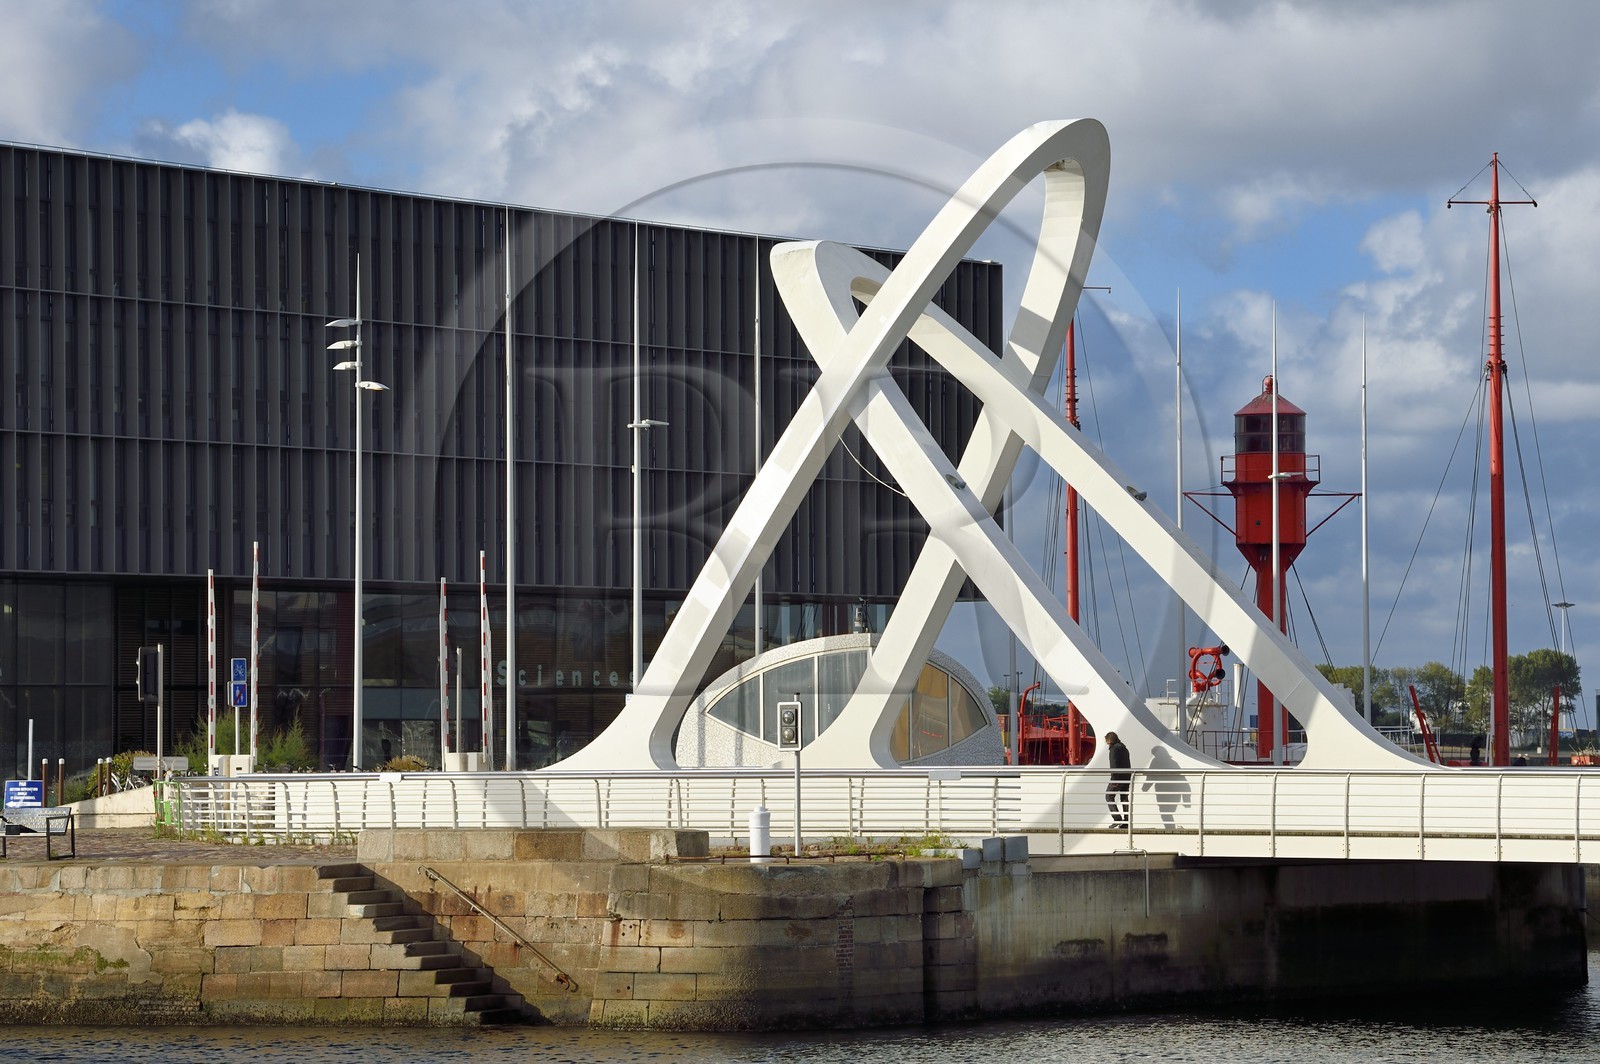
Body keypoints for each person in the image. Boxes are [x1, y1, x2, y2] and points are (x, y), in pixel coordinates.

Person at [1104, 731, 1131, 825]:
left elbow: (1114, 764)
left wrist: (1114, 779)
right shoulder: (1124, 748)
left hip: (1118, 777)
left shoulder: (1114, 749)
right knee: (1124, 798)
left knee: (1109, 796)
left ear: (1109, 740)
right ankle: (1126, 821)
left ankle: (1117, 818)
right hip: (1127, 777)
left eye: (1106, 741)